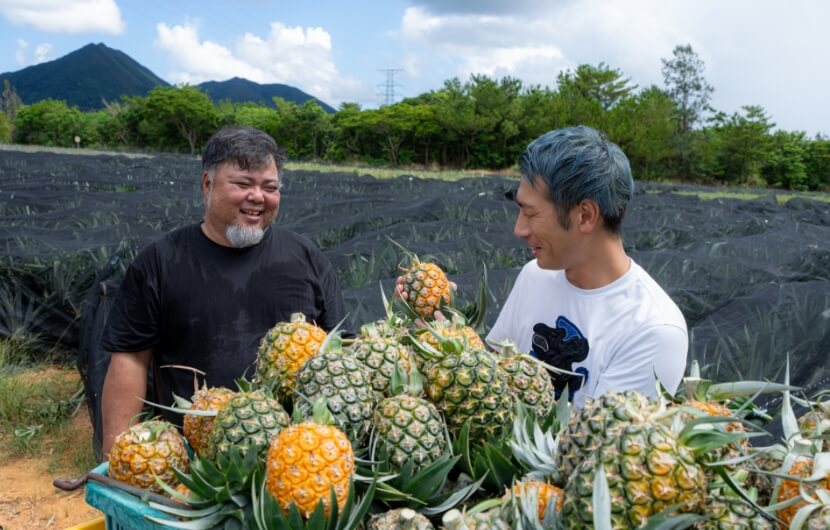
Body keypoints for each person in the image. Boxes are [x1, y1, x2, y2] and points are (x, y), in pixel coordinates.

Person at [100, 126, 349, 456]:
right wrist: (114, 457)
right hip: (189, 458)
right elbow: (131, 358)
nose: (257, 196)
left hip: (296, 458)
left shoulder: (307, 258)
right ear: (207, 184)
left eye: (269, 187)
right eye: (243, 184)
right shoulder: (159, 262)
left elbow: (342, 350)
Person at [484, 125, 688, 407]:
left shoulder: (652, 331)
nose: (519, 229)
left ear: (585, 216)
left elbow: (598, 446)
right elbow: (490, 374)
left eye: (531, 213)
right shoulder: (534, 276)